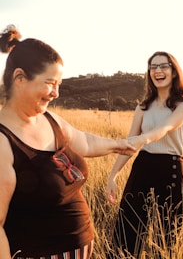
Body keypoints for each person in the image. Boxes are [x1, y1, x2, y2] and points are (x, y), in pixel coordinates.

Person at [0, 25, 137, 259]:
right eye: (50, 83)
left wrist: (118, 144)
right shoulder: (3, 141)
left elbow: (84, 141)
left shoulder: (49, 119)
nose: (56, 93)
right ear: (20, 78)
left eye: (59, 85)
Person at [106, 51, 183, 258]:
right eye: (153, 67)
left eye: (163, 66)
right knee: (126, 233)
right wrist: (113, 175)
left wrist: (143, 139)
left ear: (174, 72)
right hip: (142, 167)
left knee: (166, 238)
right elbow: (130, 144)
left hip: (170, 170)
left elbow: (166, 127)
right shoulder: (143, 107)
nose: (158, 71)